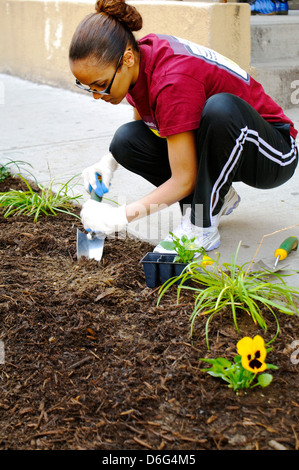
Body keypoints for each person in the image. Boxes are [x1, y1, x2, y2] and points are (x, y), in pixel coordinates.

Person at [69, 0, 298, 254]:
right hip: (225, 144)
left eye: (100, 84)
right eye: (87, 86)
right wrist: (109, 163)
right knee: (126, 141)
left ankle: (201, 227)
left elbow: (184, 179)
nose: (96, 95)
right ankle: (215, 199)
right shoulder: (138, 66)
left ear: (128, 59)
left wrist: (120, 217)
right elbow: (147, 128)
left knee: (220, 110)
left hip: (273, 150)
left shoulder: (171, 80)